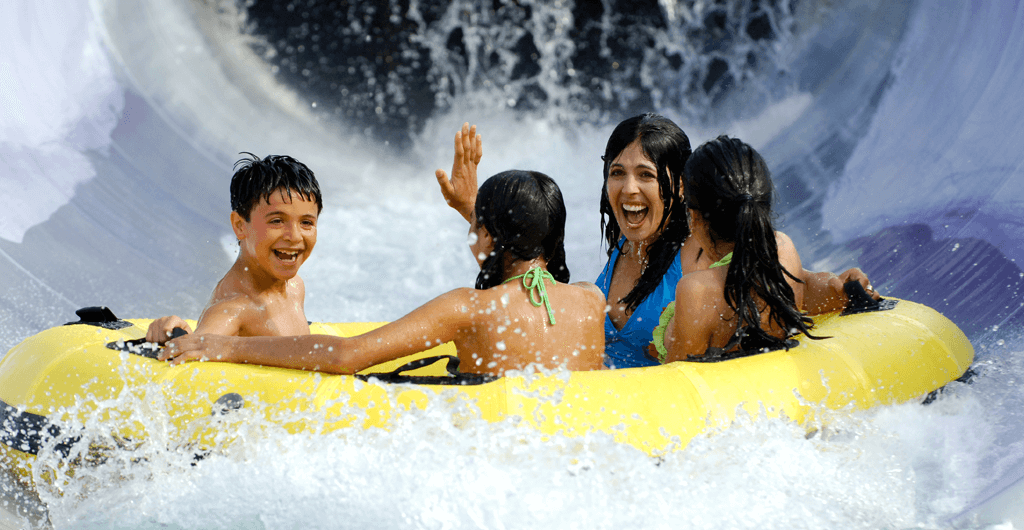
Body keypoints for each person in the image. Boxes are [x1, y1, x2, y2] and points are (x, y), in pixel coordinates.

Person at [437, 118, 877, 370]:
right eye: (617, 172)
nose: (628, 189)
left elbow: (779, 283)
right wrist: (475, 211)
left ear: (680, 187)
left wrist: (841, 287)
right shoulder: (624, 251)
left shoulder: (699, 255)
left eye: (645, 175)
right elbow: (544, 298)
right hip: (599, 408)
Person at [161, 170, 606, 377]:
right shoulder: (591, 300)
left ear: (487, 235)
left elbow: (345, 356)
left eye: (477, 226)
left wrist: (224, 345)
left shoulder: (468, 308)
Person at [654, 135, 849, 362]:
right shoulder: (783, 250)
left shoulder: (697, 291)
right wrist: (840, 287)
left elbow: (680, 375)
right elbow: (806, 290)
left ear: (695, 217)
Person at [145, 154, 322, 343]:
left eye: (306, 222)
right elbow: (196, 346)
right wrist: (174, 334)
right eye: (277, 221)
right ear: (240, 225)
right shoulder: (234, 310)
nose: (294, 236)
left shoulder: (295, 286)